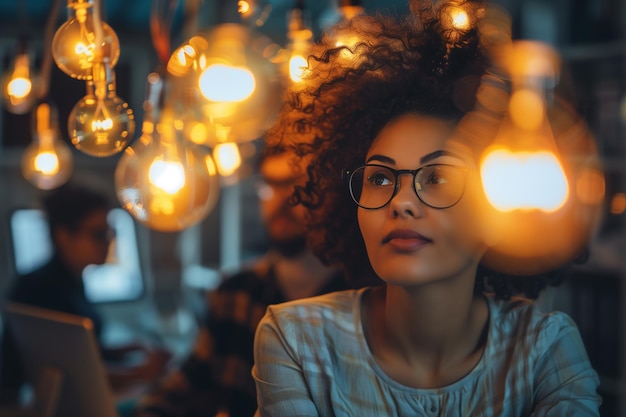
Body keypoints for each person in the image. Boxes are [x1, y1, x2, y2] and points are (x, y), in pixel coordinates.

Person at [252, 1, 602, 416]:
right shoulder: (296, 340)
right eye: (379, 178)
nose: (400, 202)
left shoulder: (545, 348)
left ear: (499, 205)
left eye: (438, 178)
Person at [132, 148, 349, 417]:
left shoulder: (358, 299)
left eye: (297, 184)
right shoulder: (236, 291)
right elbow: (187, 384)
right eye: (269, 185)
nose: (281, 199)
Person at [0, 182, 169, 405]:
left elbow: (77, 351)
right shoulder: (40, 289)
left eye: (110, 233)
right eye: (99, 234)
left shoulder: (68, 281)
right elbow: (71, 375)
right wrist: (142, 373)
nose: (109, 242)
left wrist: (122, 350)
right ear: (63, 236)